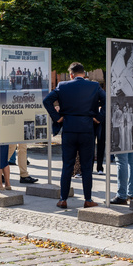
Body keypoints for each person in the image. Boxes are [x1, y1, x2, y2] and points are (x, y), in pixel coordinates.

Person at [43, 62, 106, 208]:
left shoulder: (63, 86)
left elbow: (47, 101)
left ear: (71, 75)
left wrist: (57, 117)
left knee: (67, 165)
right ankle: (88, 200)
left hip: (69, 129)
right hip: (87, 129)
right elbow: (108, 101)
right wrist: (98, 118)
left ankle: (63, 199)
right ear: (83, 74)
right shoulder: (94, 86)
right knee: (86, 166)